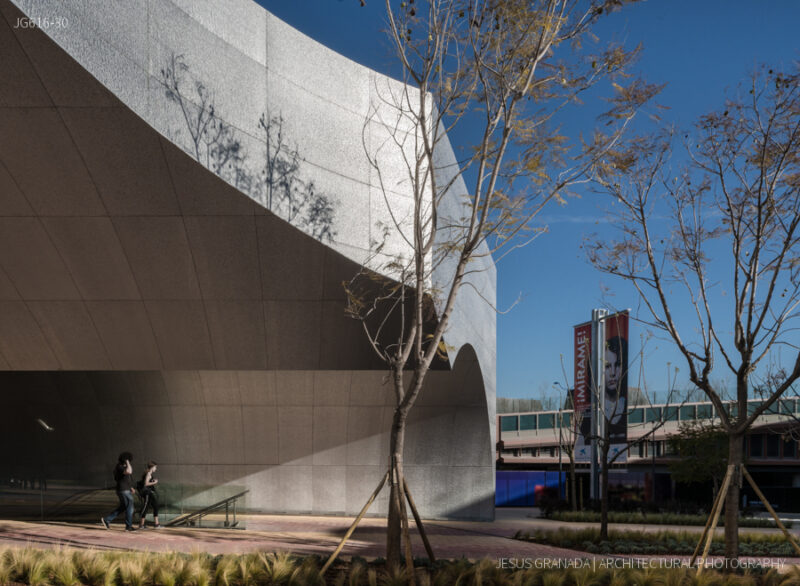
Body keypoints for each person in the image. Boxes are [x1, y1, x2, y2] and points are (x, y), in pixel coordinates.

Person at [101, 451, 136, 531]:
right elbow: (129, 471)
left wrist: (131, 487)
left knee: (123, 507)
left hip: (125, 489)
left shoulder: (123, 467)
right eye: (128, 459)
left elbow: (126, 479)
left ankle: (107, 520)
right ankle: (128, 526)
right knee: (130, 508)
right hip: (123, 490)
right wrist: (127, 461)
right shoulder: (119, 467)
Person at [604, 336, 628, 441]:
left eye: (617, 365)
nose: (613, 373)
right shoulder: (590, 414)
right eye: (607, 366)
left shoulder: (628, 407)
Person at [138, 461, 162, 529]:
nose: (156, 469)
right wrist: (154, 482)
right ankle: (141, 525)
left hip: (150, 493)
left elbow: (147, 481)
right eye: (155, 467)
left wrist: (152, 481)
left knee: (156, 506)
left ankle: (156, 524)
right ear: (152, 467)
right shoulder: (148, 473)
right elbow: (146, 484)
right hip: (147, 493)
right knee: (146, 507)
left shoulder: (149, 473)